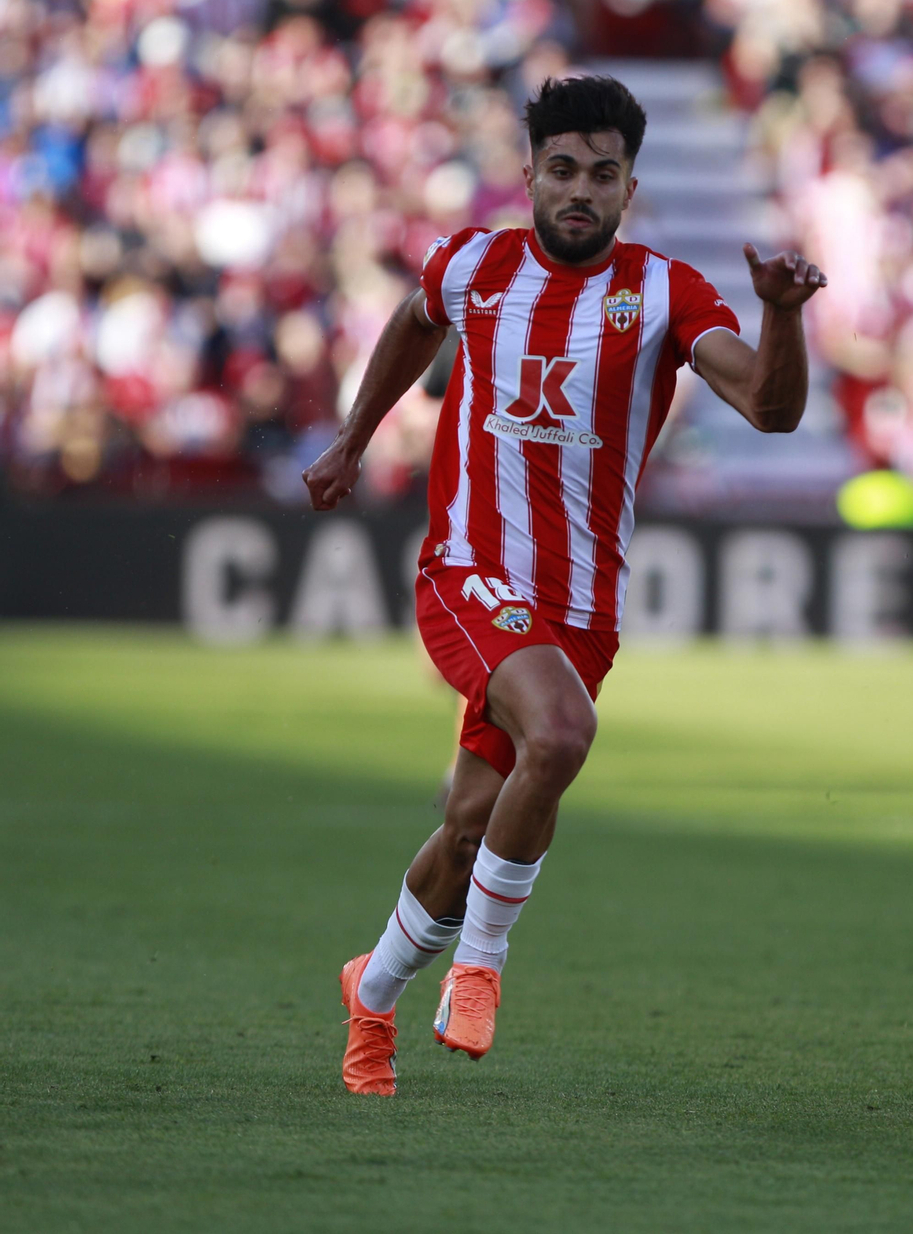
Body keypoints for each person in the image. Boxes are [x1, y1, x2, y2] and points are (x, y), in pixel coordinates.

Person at [303, 76, 827, 1096]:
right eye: (561, 170)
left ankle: (371, 993)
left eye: (601, 174)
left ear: (630, 187)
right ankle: (481, 969)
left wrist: (779, 320)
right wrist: (352, 439)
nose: (578, 190)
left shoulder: (666, 292)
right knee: (562, 735)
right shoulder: (472, 264)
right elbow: (414, 325)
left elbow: (770, 410)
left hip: (583, 606)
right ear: (531, 176)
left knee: (468, 830)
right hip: (467, 571)